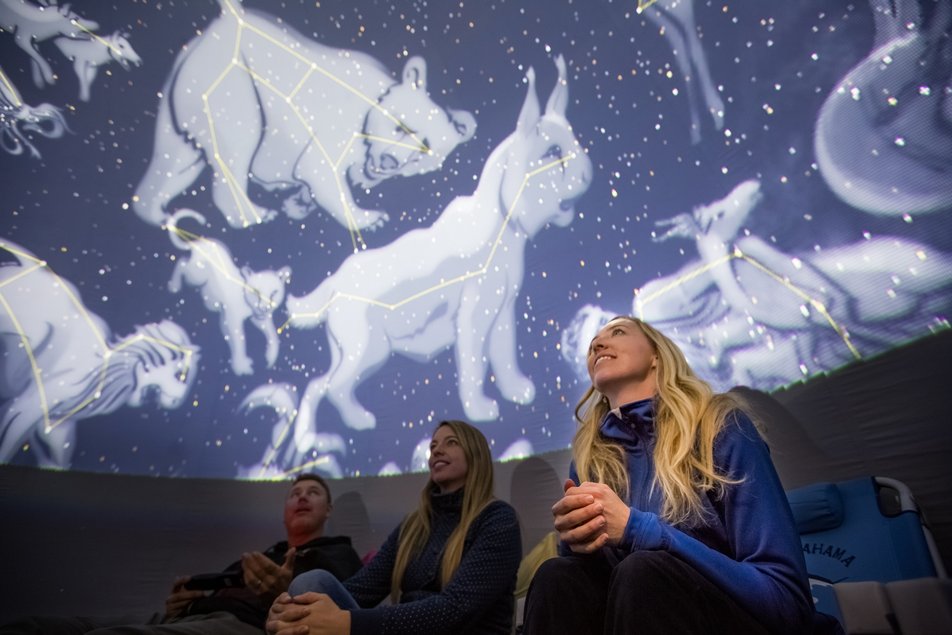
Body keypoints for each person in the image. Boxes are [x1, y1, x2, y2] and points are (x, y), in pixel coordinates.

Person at [521, 316, 840, 635]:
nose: (597, 344)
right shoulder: (591, 460)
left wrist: (640, 530)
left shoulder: (721, 427)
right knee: (556, 576)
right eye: (593, 343)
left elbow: (788, 602)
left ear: (656, 355)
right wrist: (577, 543)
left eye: (617, 332)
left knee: (643, 571)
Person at [2, 473, 363, 635]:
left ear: (328, 510)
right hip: (186, 617)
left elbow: (342, 602)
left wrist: (285, 591)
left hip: (244, 625)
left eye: (313, 492)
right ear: (283, 509)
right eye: (295, 492)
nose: (301, 497)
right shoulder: (264, 553)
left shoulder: (339, 552)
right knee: (36, 626)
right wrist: (188, 600)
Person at [266, 420, 522, 635]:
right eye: (433, 446)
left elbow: (456, 610)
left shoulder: (498, 519)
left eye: (450, 443)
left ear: (475, 454)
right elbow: (362, 588)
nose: (437, 451)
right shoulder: (414, 527)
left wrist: (348, 623)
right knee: (311, 584)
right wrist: (289, 609)